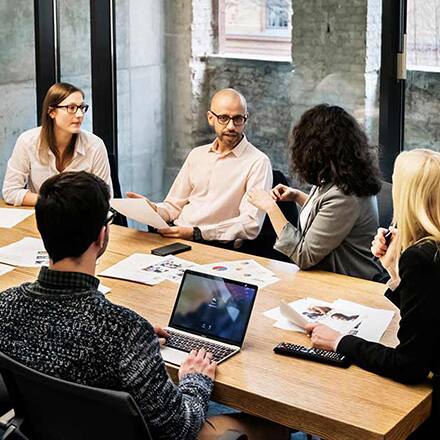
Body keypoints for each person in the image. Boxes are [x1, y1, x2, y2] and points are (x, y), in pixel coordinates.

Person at [0, 171, 288, 440]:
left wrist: (136, 342)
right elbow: (181, 427)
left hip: (48, 429)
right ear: (102, 237)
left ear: (42, 229)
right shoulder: (123, 331)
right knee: (276, 426)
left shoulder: (6, 306)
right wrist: (195, 380)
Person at [306, 149, 440, 438]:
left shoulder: (422, 258)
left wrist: (340, 341)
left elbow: (409, 366)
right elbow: (430, 318)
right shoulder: (429, 250)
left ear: (406, 193)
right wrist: (393, 272)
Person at [247, 104, 382, 280]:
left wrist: (270, 207)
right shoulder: (338, 177)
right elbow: (328, 216)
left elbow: (303, 255)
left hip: (348, 285)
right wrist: (298, 196)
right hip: (327, 278)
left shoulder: (345, 195)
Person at [128, 88, 273, 243]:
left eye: (237, 119)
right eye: (223, 118)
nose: (231, 126)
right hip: (176, 236)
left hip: (213, 245)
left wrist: (197, 233)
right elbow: (174, 206)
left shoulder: (258, 162)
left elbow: (250, 224)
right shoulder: (197, 155)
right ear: (211, 118)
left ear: (245, 120)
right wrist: (154, 210)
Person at [2, 82, 112, 206]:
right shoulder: (27, 141)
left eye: (81, 107)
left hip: (81, 220)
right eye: (71, 108)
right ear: (52, 112)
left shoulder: (95, 145)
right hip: (41, 218)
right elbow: (10, 191)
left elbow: (105, 199)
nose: (80, 114)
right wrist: (52, 203)